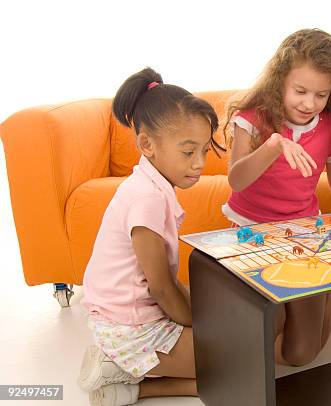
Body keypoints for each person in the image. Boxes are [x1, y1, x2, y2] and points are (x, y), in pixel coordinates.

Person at [78, 67, 224, 406]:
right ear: (147, 144)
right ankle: (125, 382)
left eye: (204, 150)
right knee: (230, 366)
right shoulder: (146, 198)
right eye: (189, 152)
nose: (200, 163)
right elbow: (159, 286)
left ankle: (129, 370)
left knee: (222, 331)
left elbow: (162, 284)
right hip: (128, 327)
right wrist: (197, 324)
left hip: (123, 313)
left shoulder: (150, 186)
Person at [222, 28, 331, 364]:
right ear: (280, 82)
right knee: (269, 337)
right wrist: (273, 145)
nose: (309, 104)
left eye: (321, 94)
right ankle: (312, 294)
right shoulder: (252, 119)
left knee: (303, 354)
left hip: (303, 232)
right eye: (300, 91)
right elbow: (237, 180)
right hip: (251, 231)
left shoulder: (329, 125)